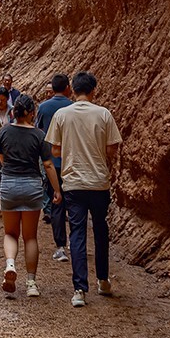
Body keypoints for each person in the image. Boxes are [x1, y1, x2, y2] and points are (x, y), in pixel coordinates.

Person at [46, 71, 122, 306]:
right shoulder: (104, 114)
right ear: (93, 91)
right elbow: (112, 150)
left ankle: (80, 289)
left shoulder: (61, 115)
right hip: (99, 182)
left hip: (73, 183)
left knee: (77, 233)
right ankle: (103, 280)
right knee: (100, 230)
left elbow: (55, 151)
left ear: (73, 90)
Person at [0, 93, 60, 299]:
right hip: (32, 186)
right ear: (32, 113)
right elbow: (48, 164)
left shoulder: (4, 132)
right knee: (30, 236)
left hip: (10, 186)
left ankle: (10, 265)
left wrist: (11, 171)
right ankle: (31, 283)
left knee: (10, 233)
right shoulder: (39, 135)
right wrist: (57, 189)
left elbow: (1, 157)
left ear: (14, 112)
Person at [35, 73, 74, 256]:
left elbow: (39, 132)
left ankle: (60, 246)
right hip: (71, 162)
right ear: (67, 88)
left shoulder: (43, 107)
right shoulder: (73, 108)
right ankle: (76, 242)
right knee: (73, 203)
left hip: (51, 161)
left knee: (56, 202)